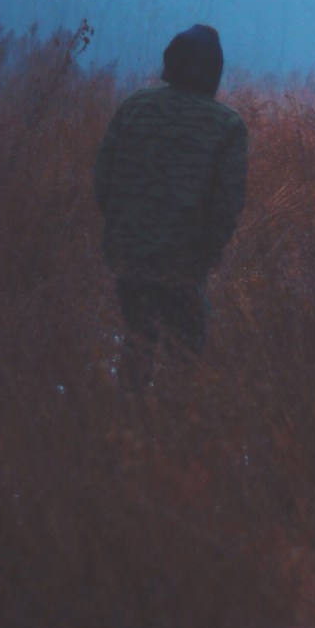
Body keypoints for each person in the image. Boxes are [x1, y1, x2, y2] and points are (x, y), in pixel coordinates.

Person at [94, 24, 247, 391]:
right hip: (183, 262)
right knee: (186, 354)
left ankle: (127, 416)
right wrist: (206, 252)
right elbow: (227, 204)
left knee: (138, 340)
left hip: (128, 251)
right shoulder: (226, 124)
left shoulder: (135, 105)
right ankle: (174, 420)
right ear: (214, 69)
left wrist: (123, 228)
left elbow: (103, 176)